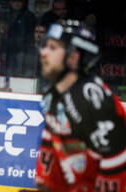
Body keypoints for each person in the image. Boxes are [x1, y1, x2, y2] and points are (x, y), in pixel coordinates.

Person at [35, 20, 126, 192]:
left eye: (53, 48)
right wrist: (47, 184)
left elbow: (117, 156)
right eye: (45, 46)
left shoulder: (91, 99)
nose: (43, 52)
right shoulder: (54, 94)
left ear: (73, 58)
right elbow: (51, 140)